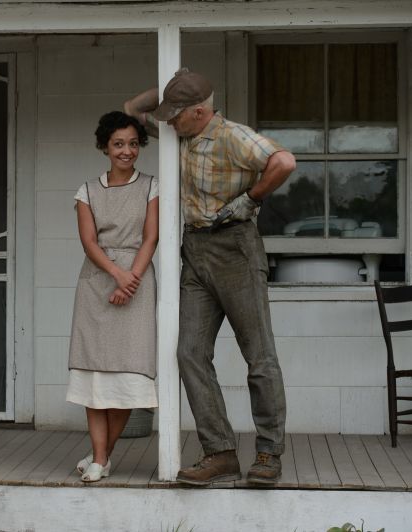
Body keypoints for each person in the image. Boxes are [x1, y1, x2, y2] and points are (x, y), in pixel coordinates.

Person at [124, 70, 296, 486]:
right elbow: (131, 109)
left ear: (200, 112)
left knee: (259, 356)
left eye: (177, 113)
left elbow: (284, 162)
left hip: (235, 247)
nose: (168, 121)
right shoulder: (178, 134)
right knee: (190, 352)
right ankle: (220, 452)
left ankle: (269, 453)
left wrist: (252, 198)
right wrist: (171, 84)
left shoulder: (233, 136)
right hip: (195, 250)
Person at [66, 111, 160, 483]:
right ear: (105, 146)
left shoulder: (151, 186)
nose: (126, 151)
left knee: (128, 377)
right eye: (118, 144)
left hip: (137, 281)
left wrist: (130, 279)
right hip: (97, 284)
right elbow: (89, 242)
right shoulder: (87, 191)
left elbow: (151, 237)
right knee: (94, 376)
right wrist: (117, 275)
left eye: (133, 144)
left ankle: (101, 456)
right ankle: (100, 458)